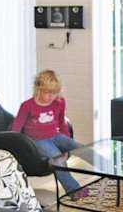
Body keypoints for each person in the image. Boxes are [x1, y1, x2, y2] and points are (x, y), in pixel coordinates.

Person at [11, 70, 88, 199]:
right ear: (38, 89)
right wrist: (18, 149)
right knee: (58, 160)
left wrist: (67, 144)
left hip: (56, 136)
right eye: (48, 92)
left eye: (55, 92)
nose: (52, 96)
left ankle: (112, 173)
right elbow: (16, 129)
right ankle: (74, 190)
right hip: (37, 141)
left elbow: (62, 123)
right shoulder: (27, 106)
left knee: (84, 149)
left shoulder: (59, 102)